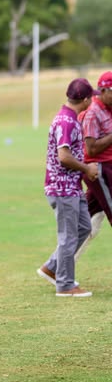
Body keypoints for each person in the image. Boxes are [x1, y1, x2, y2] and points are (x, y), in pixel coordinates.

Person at [36, 78, 98, 297]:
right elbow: (64, 157)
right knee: (69, 236)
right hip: (62, 189)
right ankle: (65, 285)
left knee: (84, 228)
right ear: (86, 99)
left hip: (72, 187)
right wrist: (87, 169)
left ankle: (52, 268)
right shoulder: (67, 121)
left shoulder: (70, 117)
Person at [75, 71, 112, 259]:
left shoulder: (109, 107)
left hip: (108, 168)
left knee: (87, 222)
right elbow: (91, 150)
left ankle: (55, 267)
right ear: (103, 90)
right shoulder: (92, 113)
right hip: (99, 170)